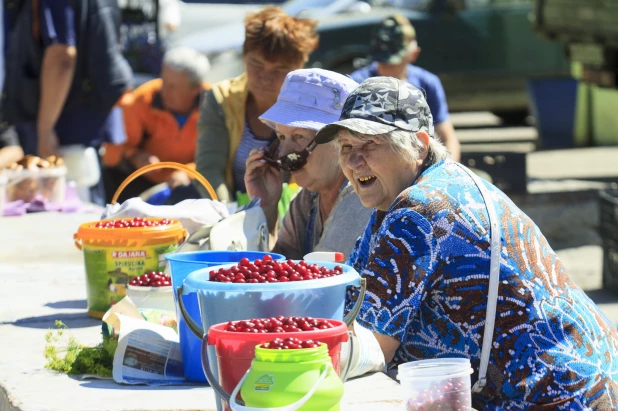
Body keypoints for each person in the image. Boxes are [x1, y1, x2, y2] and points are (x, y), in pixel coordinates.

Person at [314, 77, 618, 409]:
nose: (355, 162)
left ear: (417, 145)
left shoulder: (422, 207)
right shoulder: (423, 188)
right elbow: (352, 302)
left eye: (369, 144)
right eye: (346, 147)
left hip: (556, 396)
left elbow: (366, 346)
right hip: (588, 380)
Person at [3, 0, 133, 205]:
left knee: (73, 217)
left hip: (65, 130)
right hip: (78, 121)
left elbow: (62, 56)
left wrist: (46, 129)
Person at [244, 68, 372, 260]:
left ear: (341, 140)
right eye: (281, 137)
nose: (284, 152)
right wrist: (267, 205)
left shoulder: (362, 200)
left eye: (299, 136)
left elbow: (320, 279)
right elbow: (276, 271)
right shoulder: (306, 200)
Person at [194, 6, 318, 203]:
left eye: (280, 69)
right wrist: (226, 214)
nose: (266, 77)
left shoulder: (316, 108)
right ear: (244, 57)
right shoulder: (221, 98)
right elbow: (209, 168)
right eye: (257, 65)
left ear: (299, 67)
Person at [102, 47, 211, 203]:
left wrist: (188, 173)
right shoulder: (141, 100)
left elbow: (218, 156)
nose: (164, 90)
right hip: (144, 183)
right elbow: (112, 153)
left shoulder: (213, 105)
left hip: (193, 181)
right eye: (163, 81)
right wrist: (135, 157)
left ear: (196, 89)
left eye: (173, 86)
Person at [350, 14, 460, 162]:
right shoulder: (357, 84)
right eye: (382, 60)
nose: (388, 68)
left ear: (414, 54)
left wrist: (448, 171)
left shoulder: (428, 83)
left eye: (394, 61)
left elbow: (448, 138)